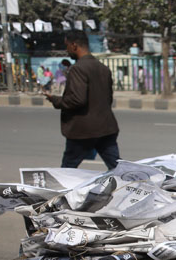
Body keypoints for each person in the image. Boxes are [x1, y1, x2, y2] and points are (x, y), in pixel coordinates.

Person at [44, 30, 120, 170]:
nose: (67, 51)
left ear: (74, 45)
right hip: (106, 127)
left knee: (67, 169)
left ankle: (63, 191)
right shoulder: (103, 68)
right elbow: (108, 98)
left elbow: (77, 100)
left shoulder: (78, 69)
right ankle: (129, 187)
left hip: (84, 131)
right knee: (117, 167)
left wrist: (55, 100)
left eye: (67, 46)